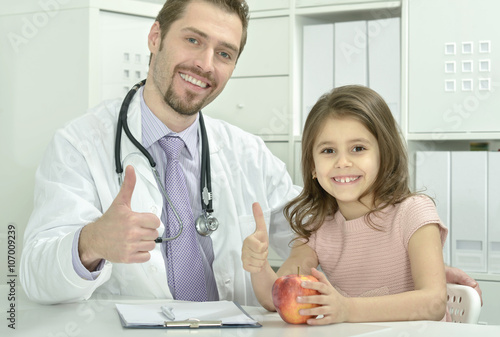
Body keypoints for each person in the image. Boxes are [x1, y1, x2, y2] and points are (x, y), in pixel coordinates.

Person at [20, 0, 481, 306]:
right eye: (193, 40)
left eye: (225, 53)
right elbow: (31, 276)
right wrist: (92, 243)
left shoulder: (245, 152)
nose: (205, 64)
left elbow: (312, 231)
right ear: (155, 37)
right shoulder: (80, 144)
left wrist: (398, 260)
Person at [242, 85, 452, 324]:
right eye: (328, 150)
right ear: (313, 166)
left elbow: (433, 303)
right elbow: (276, 298)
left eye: (358, 148)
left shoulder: (414, 212)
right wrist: (258, 266)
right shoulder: (316, 227)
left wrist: (346, 309)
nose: (342, 162)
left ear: (385, 155)